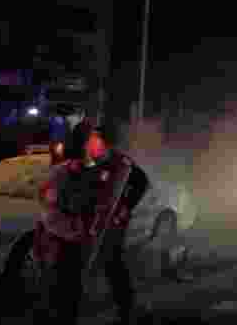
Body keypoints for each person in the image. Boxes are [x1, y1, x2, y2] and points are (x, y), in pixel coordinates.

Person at [38, 118, 150, 325]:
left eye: (95, 138)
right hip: (75, 226)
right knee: (68, 273)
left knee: (113, 265)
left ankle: (126, 309)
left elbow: (141, 182)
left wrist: (125, 207)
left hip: (107, 226)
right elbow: (60, 190)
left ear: (105, 142)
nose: (91, 143)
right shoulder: (75, 162)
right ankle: (64, 315)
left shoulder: (119, 162)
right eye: (90, 138)